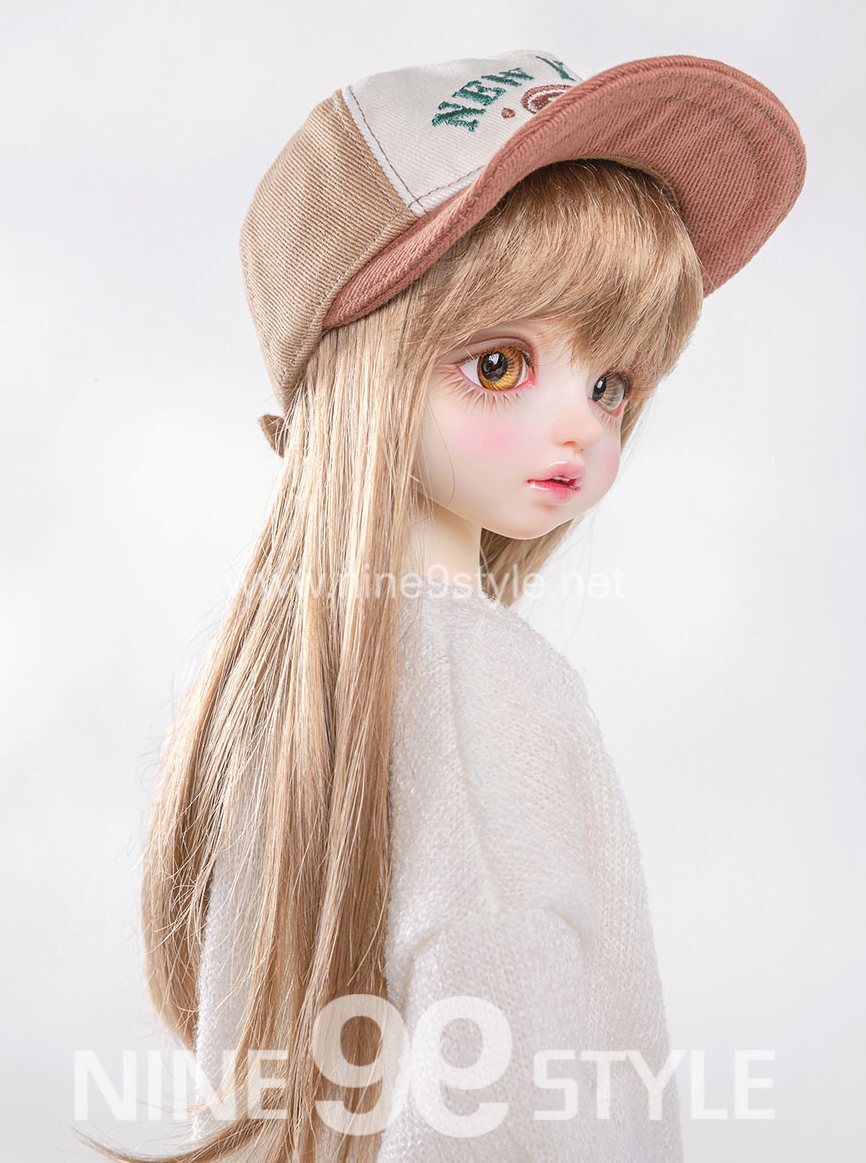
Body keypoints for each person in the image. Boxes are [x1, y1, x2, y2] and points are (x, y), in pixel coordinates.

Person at [82, 48, 805, 1163]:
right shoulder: (482, 677)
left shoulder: (278, 699)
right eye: (501, 365)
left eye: (610, 382)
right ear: (362, 375)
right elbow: (505, 1091)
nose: (579, 424)